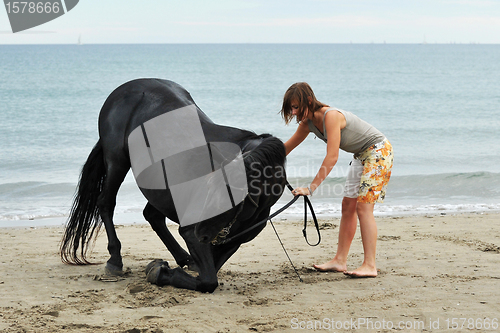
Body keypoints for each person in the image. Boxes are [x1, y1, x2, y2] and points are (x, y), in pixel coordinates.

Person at [280, 82, 393, 278]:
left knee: (363, 208)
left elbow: (332, 157)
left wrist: (311, 188)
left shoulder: (330, 116)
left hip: (378, 151)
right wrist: (256, 158)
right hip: (361, 155)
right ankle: (340, 261)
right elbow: (285, 149)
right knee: (347, 206)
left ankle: (369, 265)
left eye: (296, 107)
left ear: (308, 100)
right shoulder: (307, 124)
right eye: (291, 108)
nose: (294, 112)